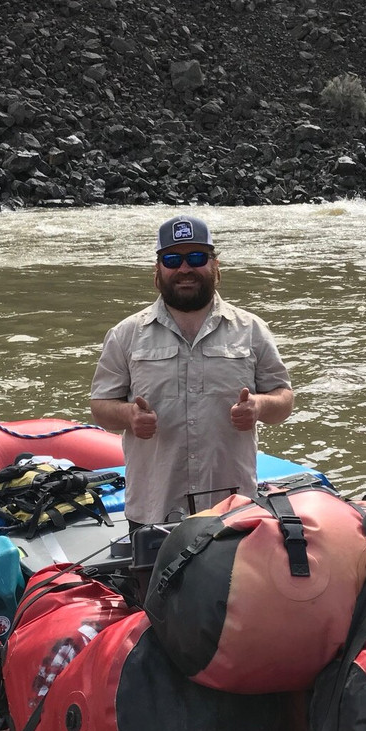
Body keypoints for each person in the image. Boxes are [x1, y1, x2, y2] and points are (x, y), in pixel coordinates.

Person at [90, 214, 294, 528]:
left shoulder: (252, 330)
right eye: (173, 259)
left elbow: (284, 400)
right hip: (153, 509)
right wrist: (129, 415)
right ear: (158, 270)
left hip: (235, 509)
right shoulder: (125, 334)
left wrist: (260, 406)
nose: (185, 268)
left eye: (197, 257)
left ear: (215, 266)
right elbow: (100, 407)